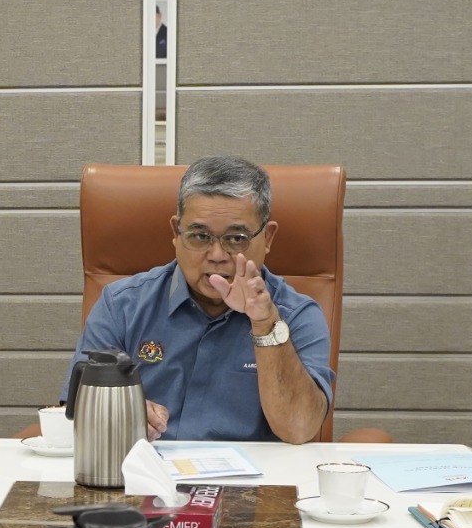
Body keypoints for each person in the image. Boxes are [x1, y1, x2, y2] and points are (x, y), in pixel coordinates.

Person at [60, 155, 334, 444]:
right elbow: (75, 412)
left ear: (267, 238)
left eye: (236, 238)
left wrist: (265, 324)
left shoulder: (296, 315)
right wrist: (118, 412)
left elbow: (299, 429)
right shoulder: (122, 305)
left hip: (249, 473)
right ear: (175, 233)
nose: (216, 255)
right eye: (200, 236)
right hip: (145, 466)